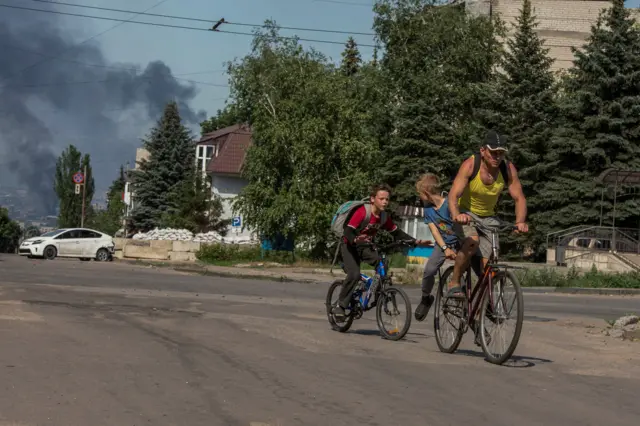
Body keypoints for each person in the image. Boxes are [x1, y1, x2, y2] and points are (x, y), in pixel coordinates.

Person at [447, 130, 529, 297]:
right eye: (493, 152)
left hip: (489, 218)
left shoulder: (507, 169)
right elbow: (453, 195)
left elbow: (519, 197)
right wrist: (457, 215)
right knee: (472, 242)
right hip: (466, 214)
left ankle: (480, 310)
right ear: (483, 150)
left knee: (489, 265)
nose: (497, 157)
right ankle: (454, 281)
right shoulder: (471, 165)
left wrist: (520, 221)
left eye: (500, 153)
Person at [331, 184, 432, 318]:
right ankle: (341, 306)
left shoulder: (383, 217)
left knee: (382, 264)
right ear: (373, 199)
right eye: (381, 198)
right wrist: (355, 240)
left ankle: (380, 296)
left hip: (365, 246)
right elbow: (348, 231)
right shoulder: (362, 212)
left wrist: (416, 241)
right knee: (354, 274)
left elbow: (397, 232)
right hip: (349, 245)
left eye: (387, 199)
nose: (385, 202)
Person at [414, 173, 483, 321]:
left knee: (479, 269)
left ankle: (480, 309)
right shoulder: (428, 210)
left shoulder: (450, 204)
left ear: (426, 192)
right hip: (443, 244)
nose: (419, 197)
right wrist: (445, 248)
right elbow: (434, 231)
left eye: (420, 193)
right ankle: (426, 298)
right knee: (430, 270)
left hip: (459, 242)